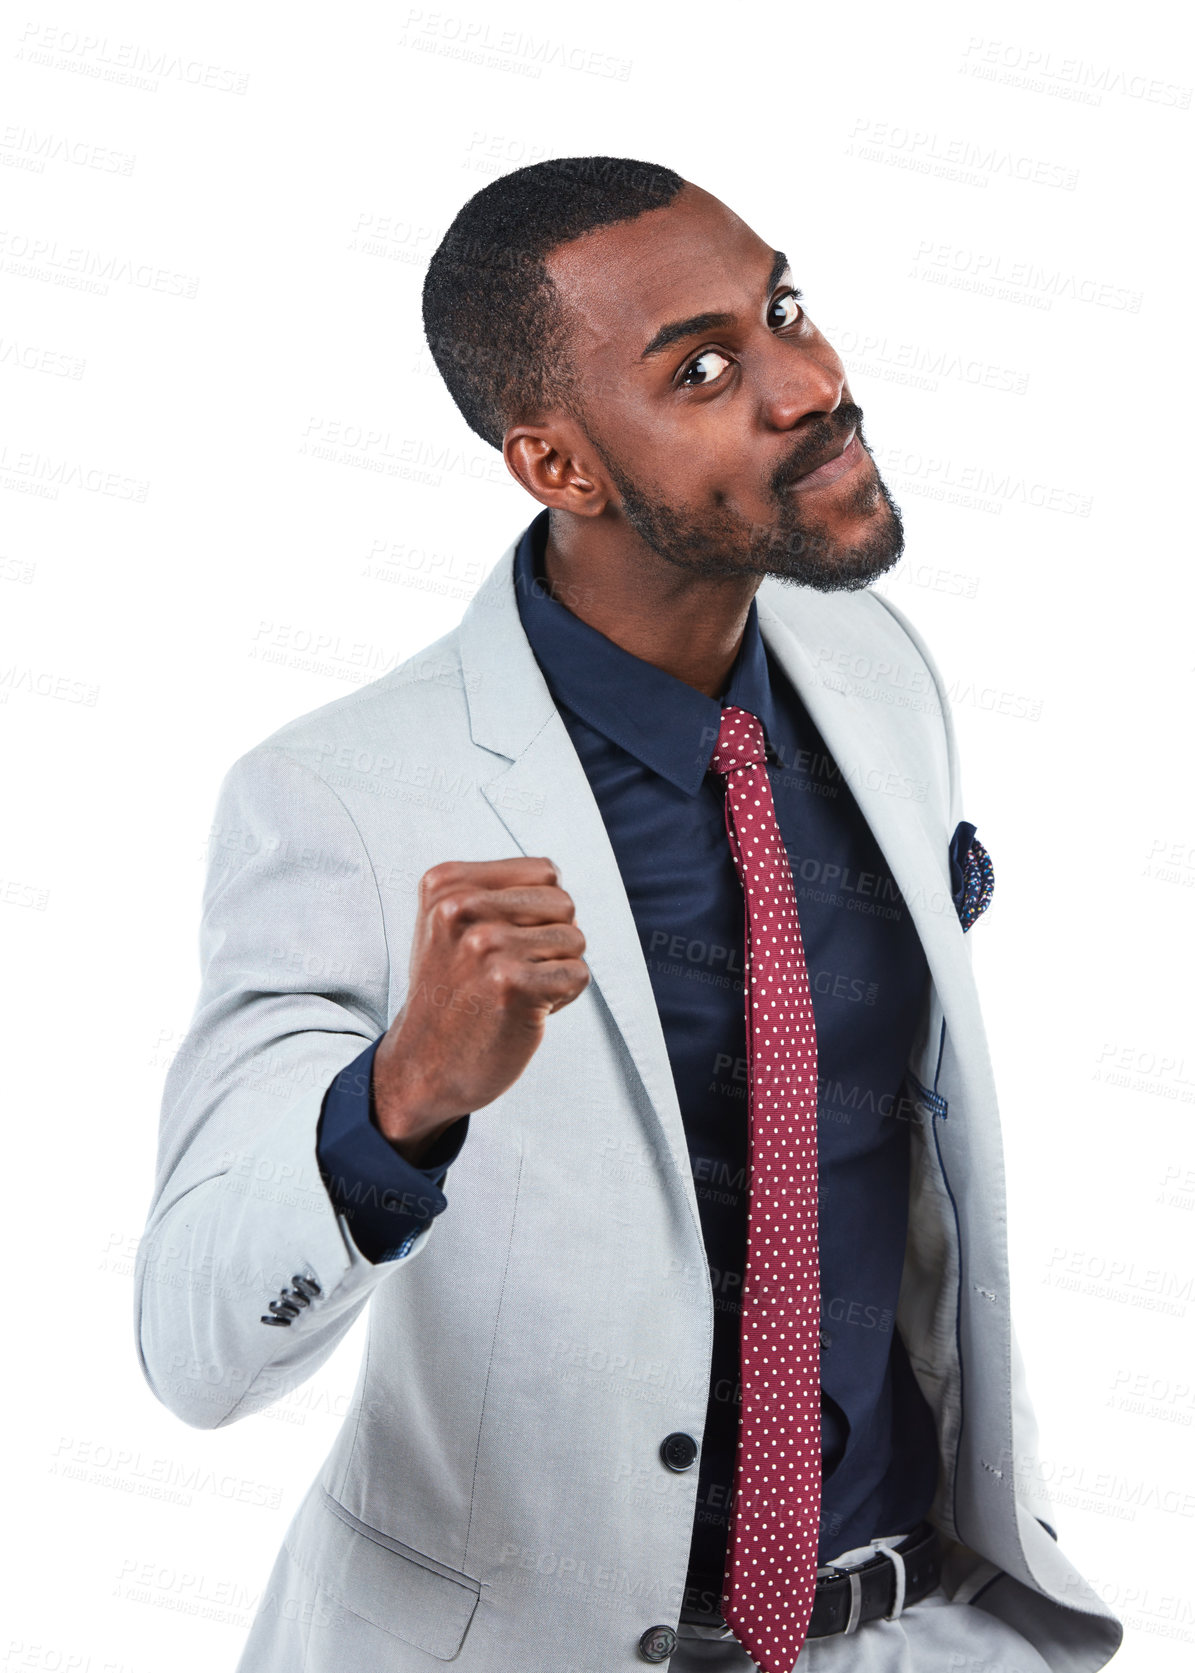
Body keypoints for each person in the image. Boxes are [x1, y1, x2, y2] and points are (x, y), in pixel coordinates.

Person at [135, 156, 1123, 1671]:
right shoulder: (340, 798)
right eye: (707, 368)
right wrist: (401, 1099)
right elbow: (195, 1343)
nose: (810, 382)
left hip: (905, 1618)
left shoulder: (878, 673)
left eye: (783, 305)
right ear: (562, 468)